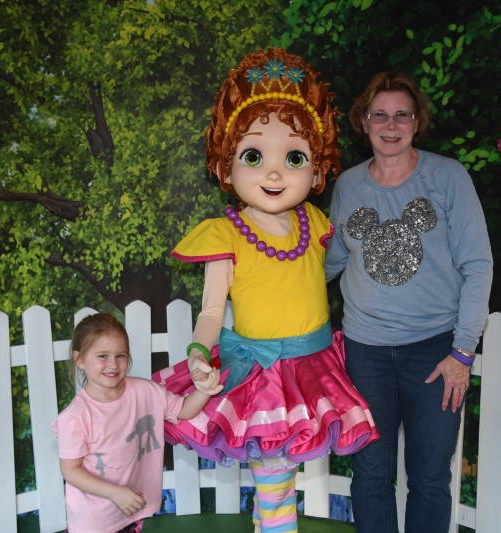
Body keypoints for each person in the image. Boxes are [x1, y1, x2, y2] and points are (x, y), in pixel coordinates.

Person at [152, 48, 379, 533]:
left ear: (316, 171)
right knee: (275, 476)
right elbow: (212, 310)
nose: (274, 173)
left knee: (278, 476)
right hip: (262, 376)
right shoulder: (225, 234)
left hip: (313, 369)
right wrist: (198, 353)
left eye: (293, 157)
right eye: (254, 156)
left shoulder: (315, 221)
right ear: (225, 167)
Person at [325, 72, 493, 533]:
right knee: (370, 475)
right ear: (363, 121)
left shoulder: (447, 177)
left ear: (417, 122)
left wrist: (462, 352)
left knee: (430, 477)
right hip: (365, 352)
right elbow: (331, 260)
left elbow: (478, 264)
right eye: (380, 114)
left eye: (402, 114)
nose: (391, 124)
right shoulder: (348, 186)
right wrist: (273, 275)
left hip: (435, 351)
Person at [52, 312, 222, 533]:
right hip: (94, 521)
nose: (113, 364)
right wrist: (115, 493)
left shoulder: (147, 391)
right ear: (80, 359)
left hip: (133, 510)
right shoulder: (75, 417)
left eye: (120, 355)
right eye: (103, 356)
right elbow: (70, 470)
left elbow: (183, 410)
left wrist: (205, 390)